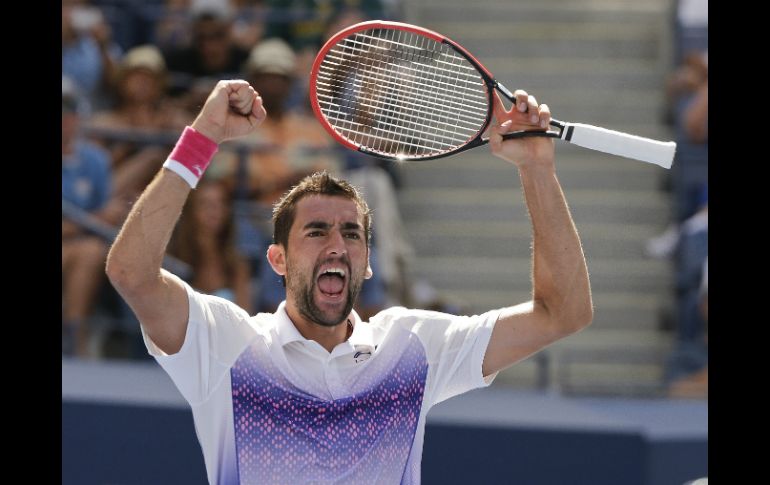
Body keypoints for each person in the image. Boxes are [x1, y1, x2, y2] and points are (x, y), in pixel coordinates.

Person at [106, 80, 593, 483]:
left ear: (367, 264)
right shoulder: (226, 345)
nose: (336, 245)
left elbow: (562, 314)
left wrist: (537, 170)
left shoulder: (412, 347)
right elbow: (131, 272)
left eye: (351, 234)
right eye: (316, 232)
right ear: (277, 259)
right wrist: (204, 136)